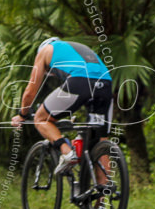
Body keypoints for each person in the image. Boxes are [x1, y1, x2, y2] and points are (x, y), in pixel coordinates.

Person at [11, 37, 113, 178]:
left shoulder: (44, 51)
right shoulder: (75, 47)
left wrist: (22, 114)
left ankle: (67, 152)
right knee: (101, 142)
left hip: (80, 80)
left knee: (41, 118)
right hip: (106, 83)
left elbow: (30, 91)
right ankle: (102, 195)